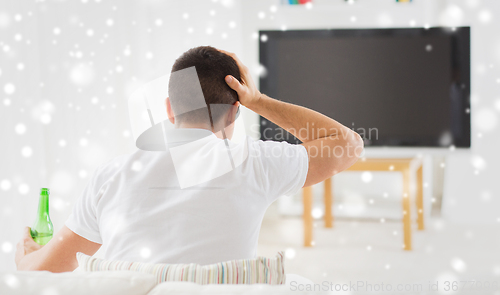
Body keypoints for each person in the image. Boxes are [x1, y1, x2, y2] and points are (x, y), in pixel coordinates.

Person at [15, 46, 363, 272]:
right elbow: (348, 145)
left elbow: (46, 269)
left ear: (168, 109)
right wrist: (258, 100)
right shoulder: (256, 163)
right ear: (234, 114)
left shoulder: (111, 176)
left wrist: (24, 258)